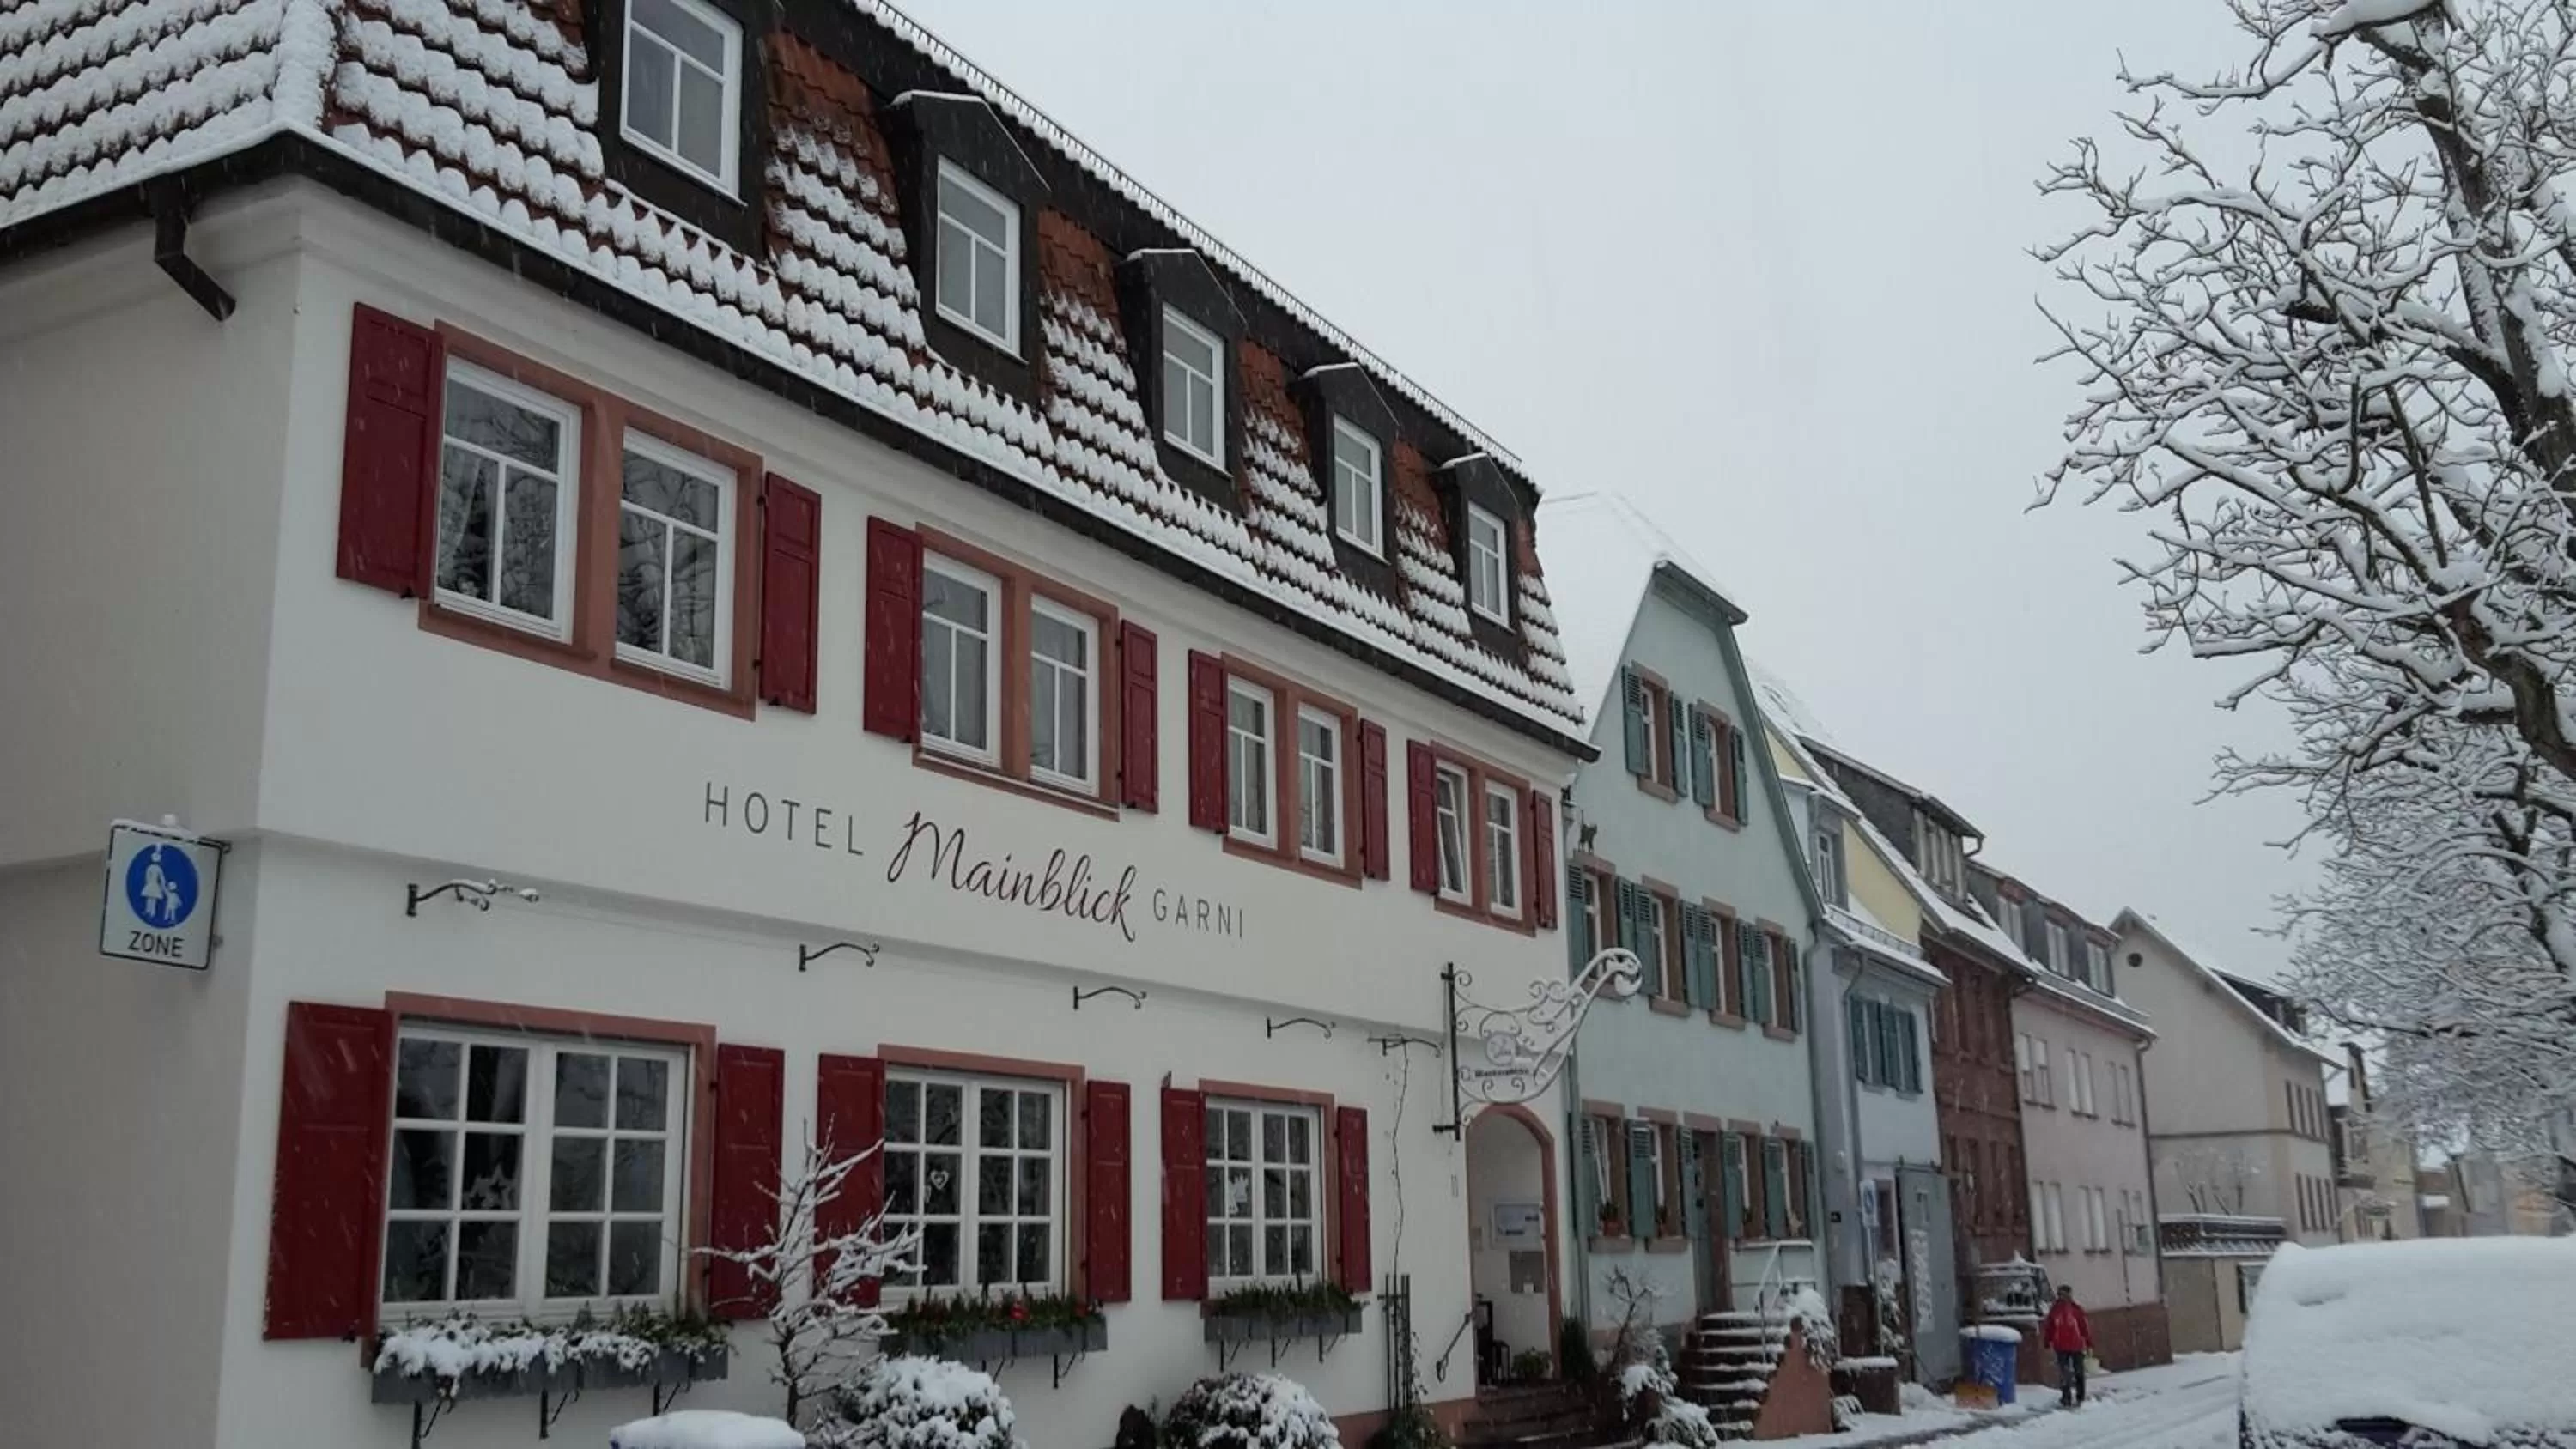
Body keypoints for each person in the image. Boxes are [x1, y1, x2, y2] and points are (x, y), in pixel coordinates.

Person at [2042, 1284, 2093, 1407]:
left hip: (2065, 1345)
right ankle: (2077, 1397)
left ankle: (2068, 1398)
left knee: (2067, 1373)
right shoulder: (2071, 1309)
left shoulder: (2058, 1310)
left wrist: (2047, 1341)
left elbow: (2050, 1328)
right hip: (2070, 1345)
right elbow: (2083, 1327)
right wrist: (2088, 1342)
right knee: (2075, 1372)